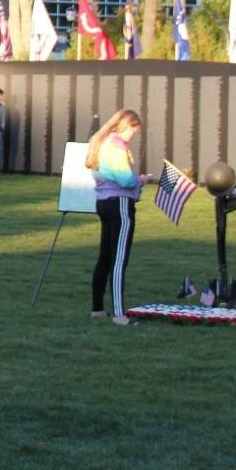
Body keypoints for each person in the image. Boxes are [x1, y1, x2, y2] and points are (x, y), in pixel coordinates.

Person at [86, 108, 150, 326]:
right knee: (119, 259)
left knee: (105, 257)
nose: (133, 135)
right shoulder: (117, 145)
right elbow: (125, 179)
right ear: (126, 126)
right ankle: (119, 314)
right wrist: (140, 179)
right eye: (133, 130)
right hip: (120, 203)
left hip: (103, 202)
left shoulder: (101, 142)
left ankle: (97, 308)